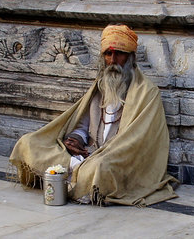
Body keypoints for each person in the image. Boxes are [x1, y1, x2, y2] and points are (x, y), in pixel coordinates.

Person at [9, 24, 178, 206]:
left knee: (99, 168)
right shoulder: (100, 87)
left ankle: (78, 177)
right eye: (108, 54)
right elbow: (83, 125)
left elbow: (139, 142)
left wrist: (101, 155)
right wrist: (75, 140)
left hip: (118, 158)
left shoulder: (147, 92)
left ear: (131, 58)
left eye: (119, 54)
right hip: (87, 153)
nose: (112, 60)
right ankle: (78, 175)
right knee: (30, 143)